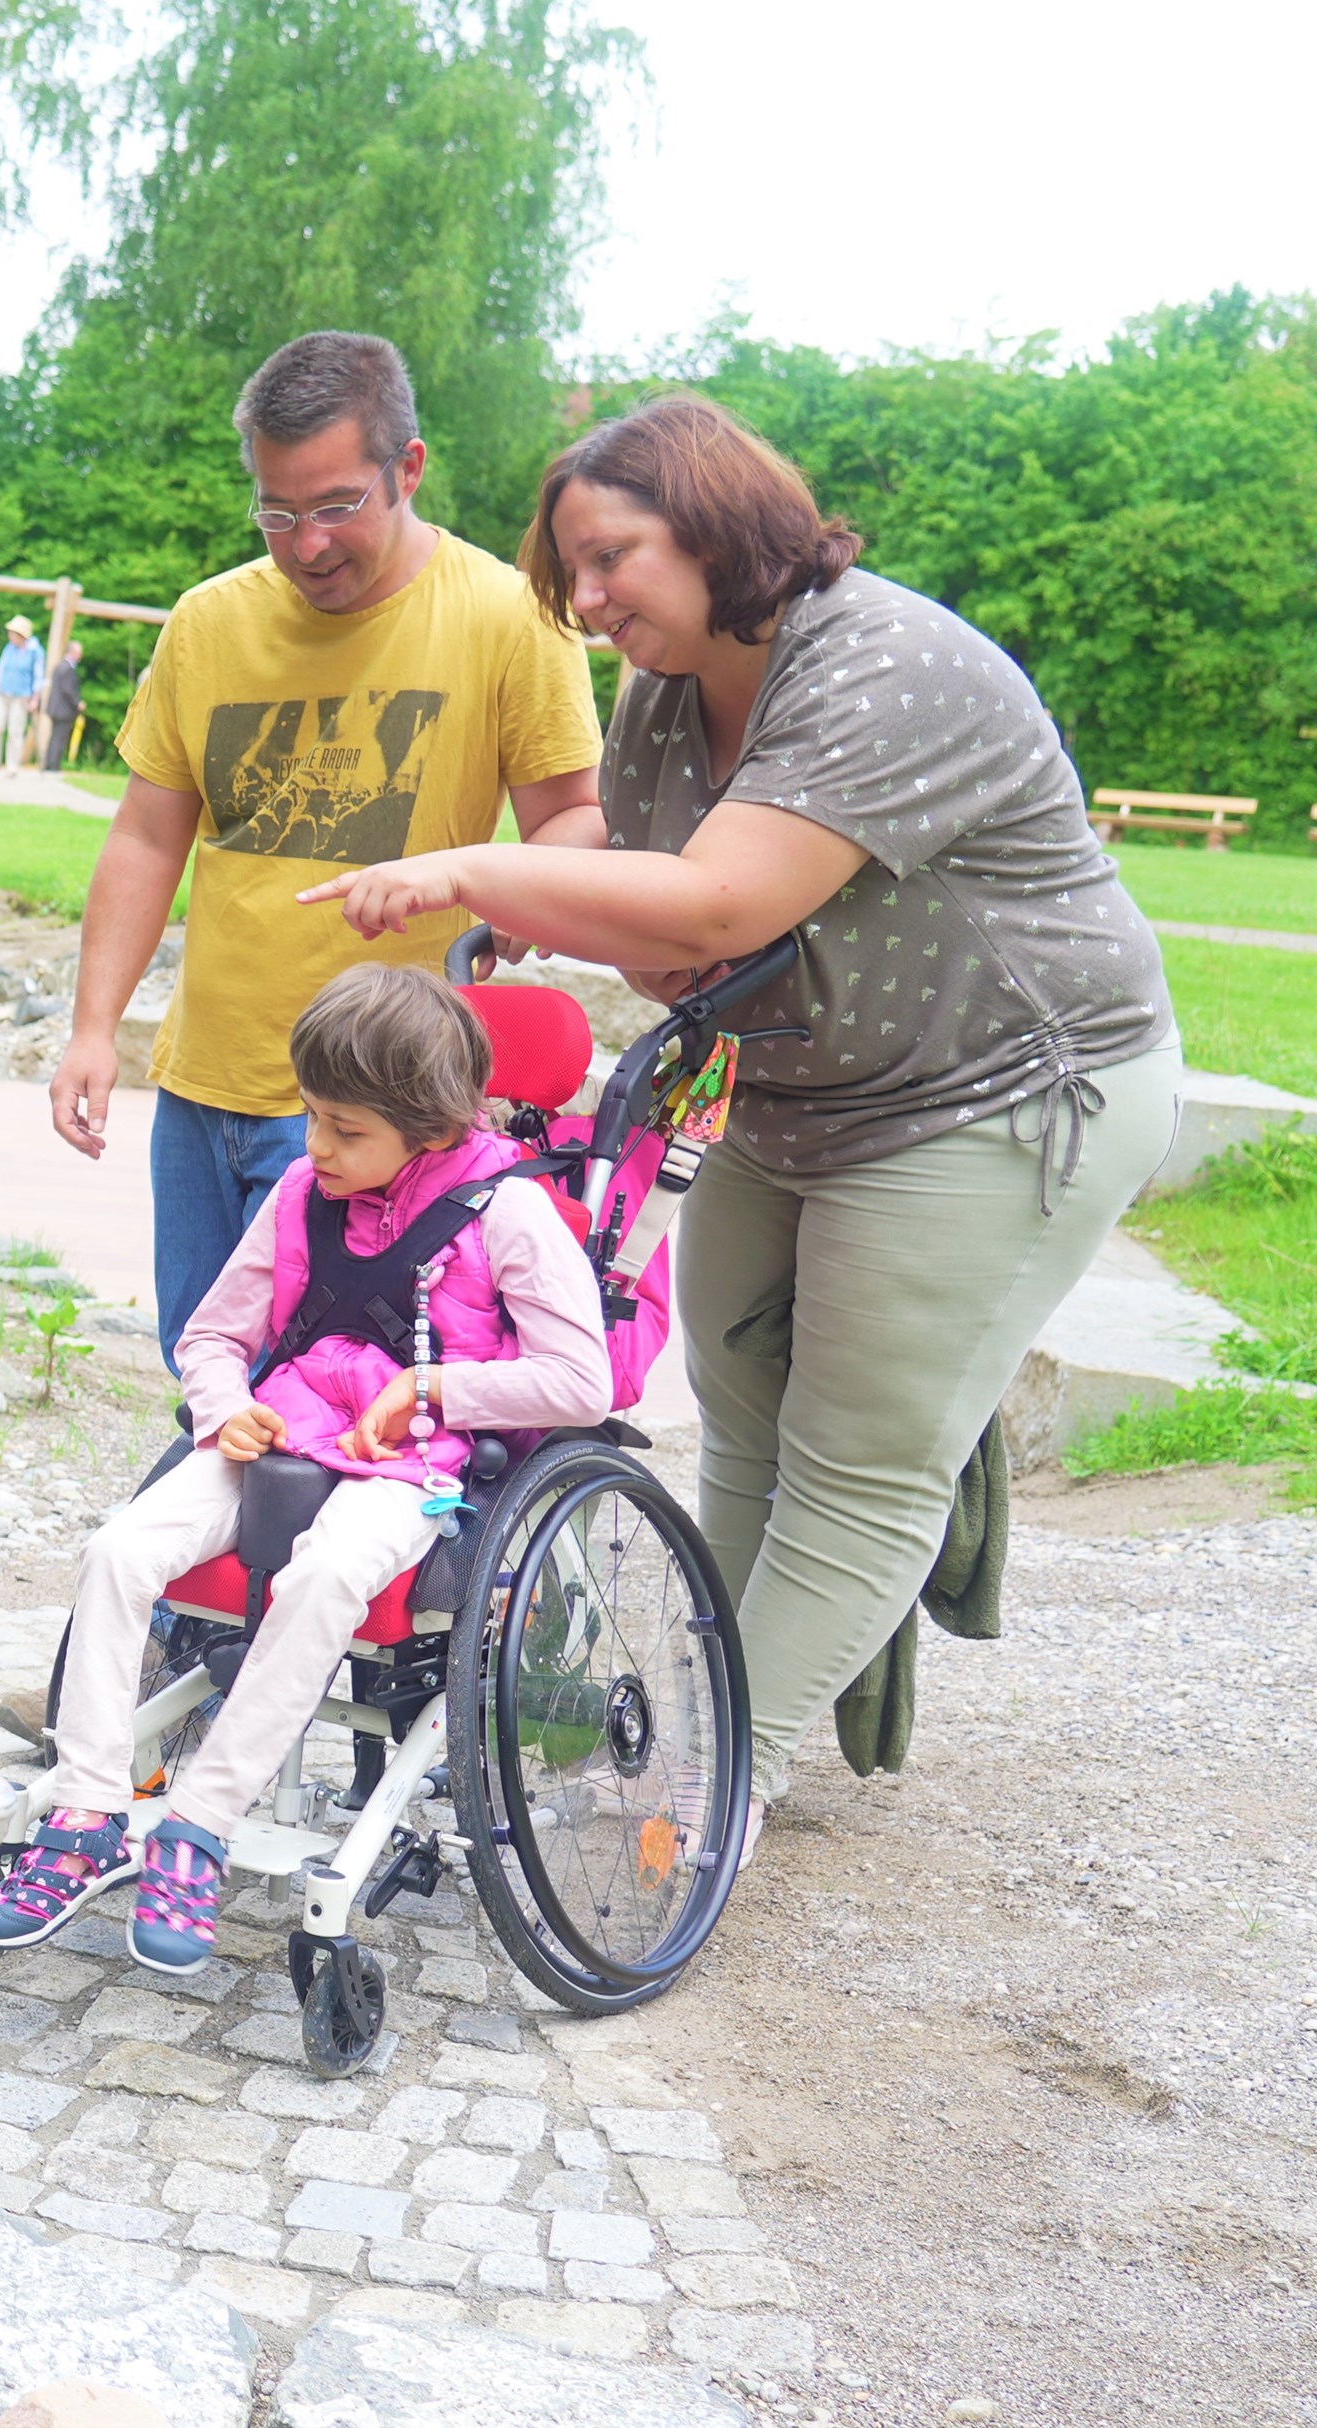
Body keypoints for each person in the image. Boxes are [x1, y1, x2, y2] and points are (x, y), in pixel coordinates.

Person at [298, 391, 1180, 1844]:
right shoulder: (672, 682)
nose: (585, 601)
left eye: (610, 559)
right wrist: (526, 879)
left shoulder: (883, 663)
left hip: (1004, 1094)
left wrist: (482, 874)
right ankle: (705, 1710)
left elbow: (718, 901)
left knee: (859, 1453)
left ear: (717, 524)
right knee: (742, 1421)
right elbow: (637, 877)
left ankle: (716, 1777)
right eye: (568, 572)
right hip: (801, 1084)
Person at [0, 964, 615, 1971]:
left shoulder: (508, 1214)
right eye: (310, 1116)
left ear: (434, 1130)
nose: (315, 1145)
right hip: (277, 1435)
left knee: (324, 1578)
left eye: (345, 1130)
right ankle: (89, 1809)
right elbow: (214, 1337)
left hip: (414, 1465)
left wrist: (438, 1388)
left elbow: (582, 1380)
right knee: (118, 1551)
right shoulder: (298, 1192)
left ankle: (199, 1823)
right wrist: (224, 1408)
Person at [49, 331, 605, 1366]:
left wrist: (509, 902)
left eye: (335, 505)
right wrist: (93, 1027)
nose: (304, 544)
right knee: (208, 1380)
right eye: (275, 512)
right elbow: (143, 835)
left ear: (408, 469)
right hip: (205, 1091)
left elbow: (573, 821)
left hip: (384, 1108)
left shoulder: (507, 618)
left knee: (348, 1413)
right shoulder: (207, 622)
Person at [0, 617, 43, 770]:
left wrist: (35, 699)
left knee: (15, 731)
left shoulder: (35, 652)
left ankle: (12, 766)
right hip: (2, 694)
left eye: (12, 633)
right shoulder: (9, 649)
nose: (9, 635)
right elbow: (0, 672)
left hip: (21, 696)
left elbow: (38, 677)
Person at [37, 637, 86, 771]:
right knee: (59, 738)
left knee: (55, 737)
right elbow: (68, 689)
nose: (80, 655)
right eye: (79, 652)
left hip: (55, 709)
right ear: (72, 652)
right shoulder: (67, 668)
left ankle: (49, 763)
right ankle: (53, 766)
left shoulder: (59, 666)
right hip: (63, 710)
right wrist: (78, 703)